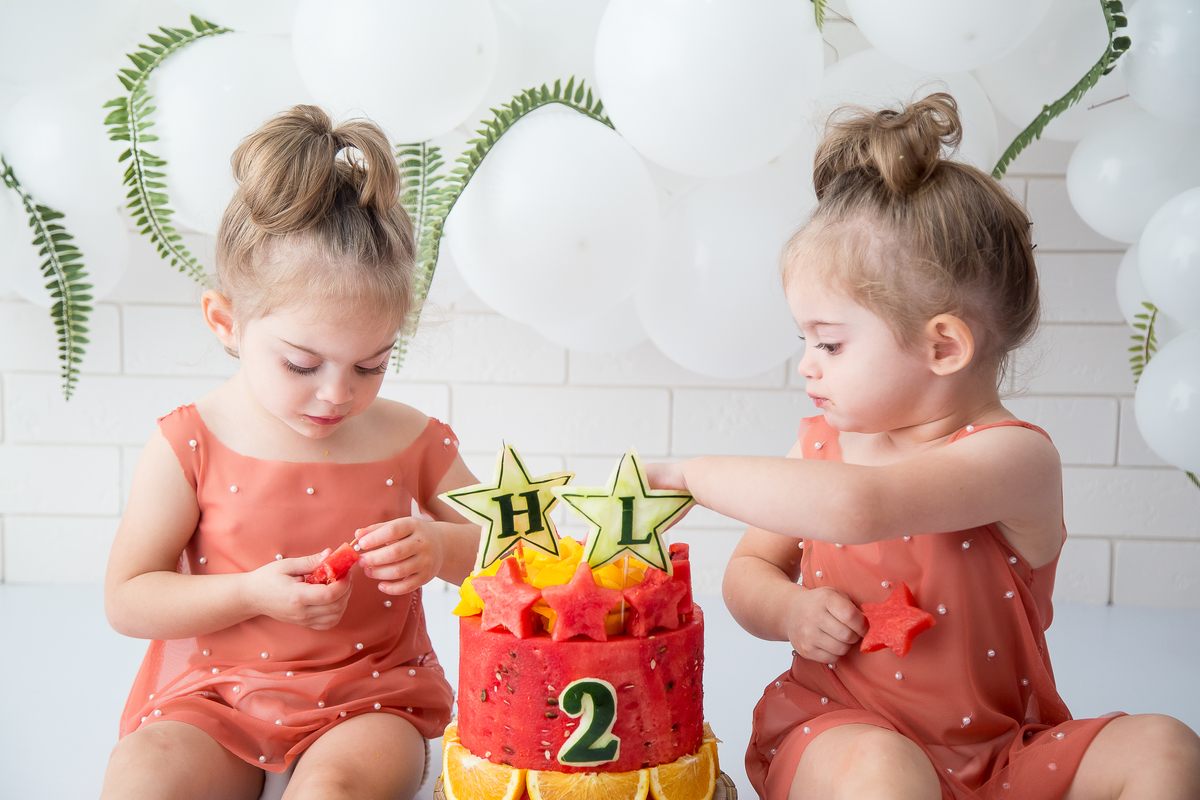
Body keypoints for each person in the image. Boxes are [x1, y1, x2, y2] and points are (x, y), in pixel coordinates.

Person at [647, 94, 1200, 800]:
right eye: (803, 339)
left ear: (943, 346)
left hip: (1002, 755)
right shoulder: (820, 450)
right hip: (840, 735)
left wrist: (690, 474)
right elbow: (749, 570)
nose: (806, 364)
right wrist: (789, 610)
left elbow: (861, 507)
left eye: (830, 343)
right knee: (885, 771)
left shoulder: (1014, 459)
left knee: (1165, 746)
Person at [101, 105, 481, 800]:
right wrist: (250, 593)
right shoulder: (190, 443)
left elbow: (513, 552)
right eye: (302, 364)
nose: (337, 394)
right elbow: (127, 600)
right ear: (226, 322)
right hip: (215, 693)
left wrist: (440, 548)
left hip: (371, 695)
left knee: (334, 791)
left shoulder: (409, 439)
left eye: (370, 365)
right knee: (143, 779)